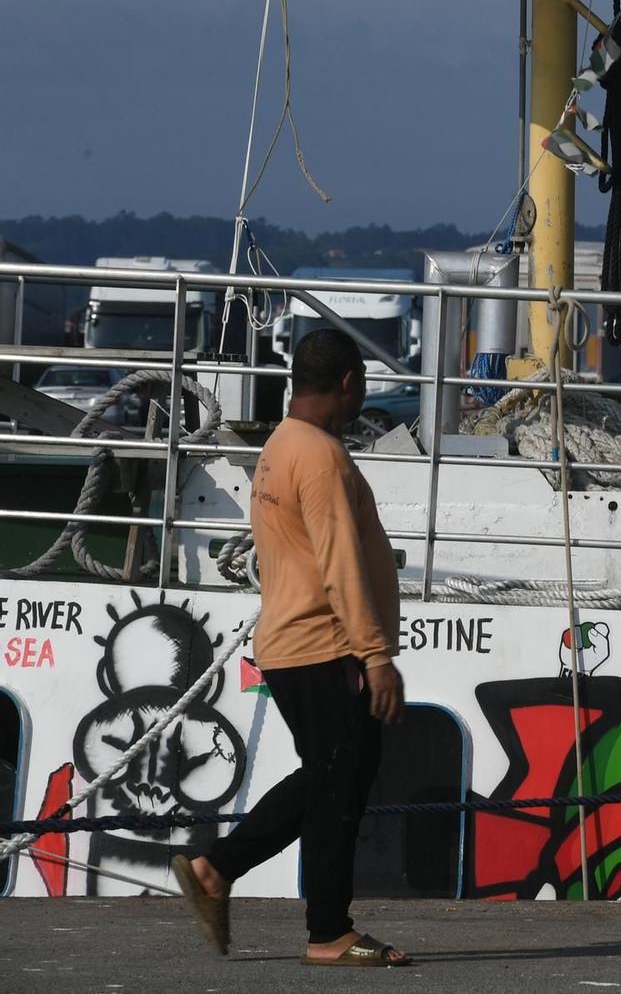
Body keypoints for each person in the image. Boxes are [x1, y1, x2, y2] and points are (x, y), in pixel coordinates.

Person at [171, 329, 410, 967]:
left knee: (336, 777)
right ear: (349, 383)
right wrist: (376, 653)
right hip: (324, 645)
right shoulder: (322, 457)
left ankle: (219, 873)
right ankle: (323, 929)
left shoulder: (281, 446)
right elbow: (340, 563)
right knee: (338, 783)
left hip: (294, 641)